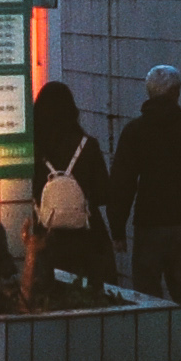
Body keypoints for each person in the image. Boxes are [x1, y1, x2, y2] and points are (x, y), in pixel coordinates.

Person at [117, 62, 181, 361]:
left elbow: (124, 181)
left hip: (149, 222)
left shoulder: (135, 132)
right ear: (177, 92)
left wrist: (117, 227)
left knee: (147, 288)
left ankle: (154, 349)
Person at [25, 81, 116, 298]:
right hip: (88, 237)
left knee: (51, 296)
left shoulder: (34, 150)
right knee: (92, 296)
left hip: (48, 238)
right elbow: (103, 193)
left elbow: (31, 191)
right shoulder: (88, 145)